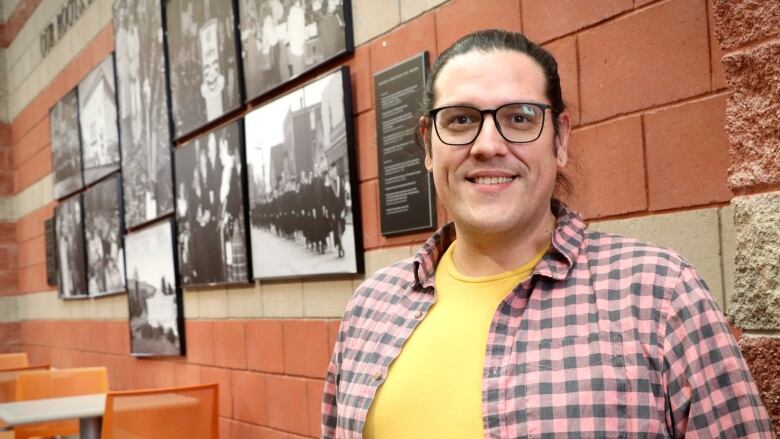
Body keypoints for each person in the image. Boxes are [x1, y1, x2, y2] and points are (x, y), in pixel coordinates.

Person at [322, 29, 774, 438]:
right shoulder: (370, 310)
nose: (487, 145)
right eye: (460, 120)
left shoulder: (659, 294)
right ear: (428, 144)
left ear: (559, 139)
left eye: (519, 117)